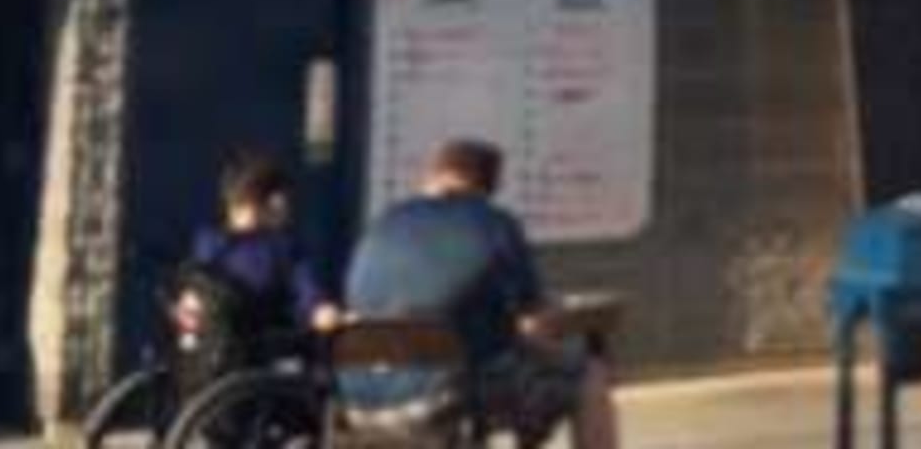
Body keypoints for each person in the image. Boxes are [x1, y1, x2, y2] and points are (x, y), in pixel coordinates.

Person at [342, 140, 618, 449]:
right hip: (444, 402)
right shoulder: (495, 225)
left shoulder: (383, 223)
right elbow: (534, 322)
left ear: (433, 174)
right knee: (586, 372)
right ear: (489, 186)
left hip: (358, 403)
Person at [188, 148, 341, 340]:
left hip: (269, 354)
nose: (282, 205)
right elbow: (199, 295)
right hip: (217, 355)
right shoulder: (211, 242)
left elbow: (307, 293)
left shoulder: (286, 247)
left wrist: (320, 312)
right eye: (269, 196)